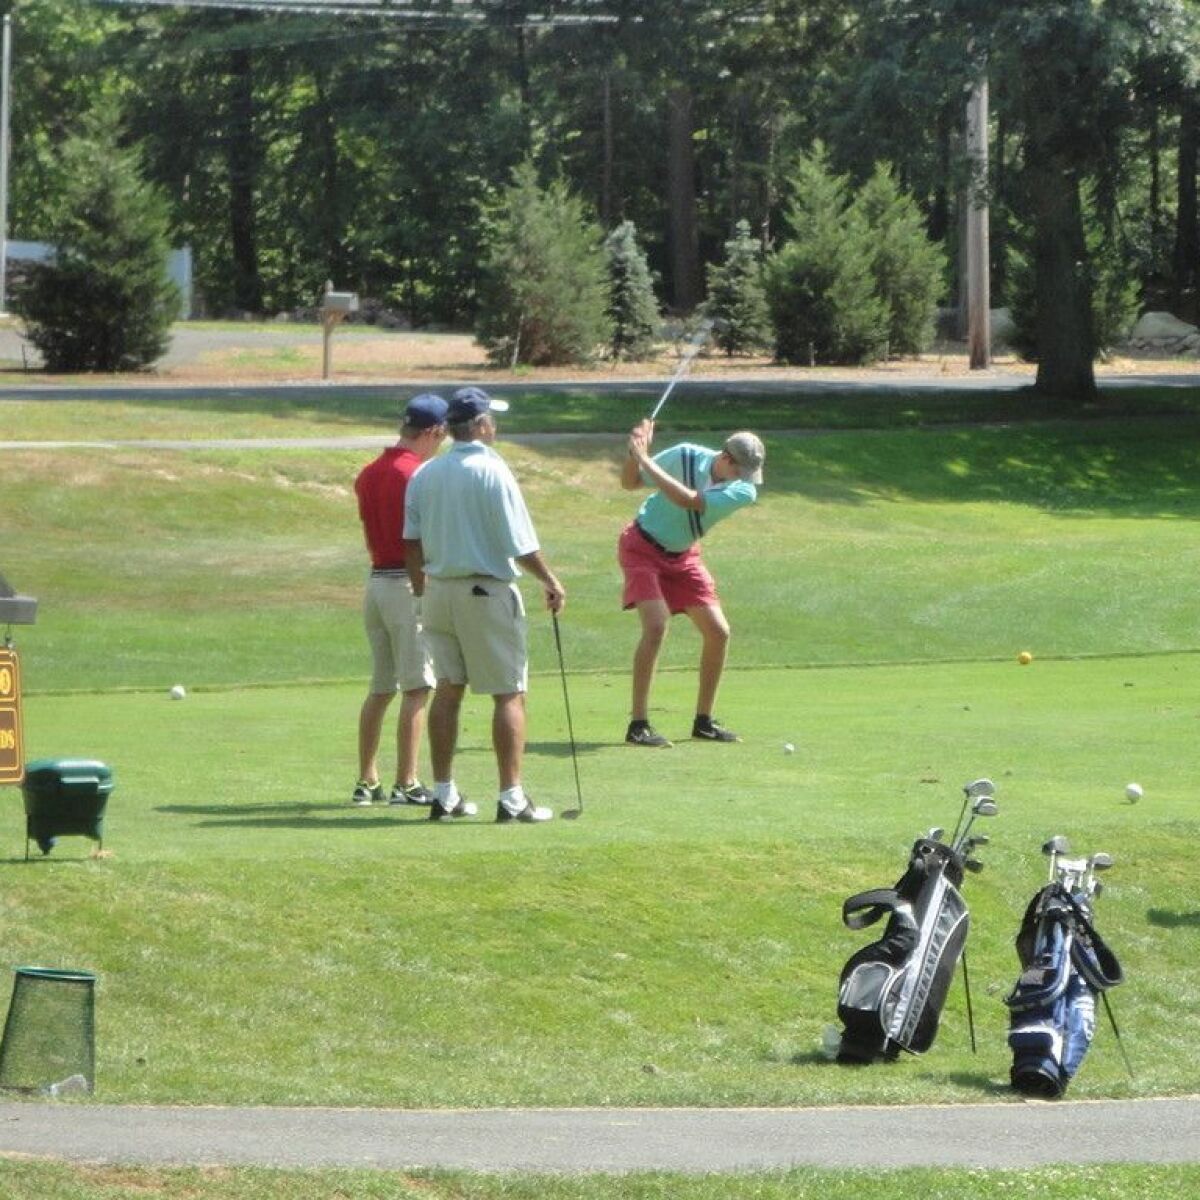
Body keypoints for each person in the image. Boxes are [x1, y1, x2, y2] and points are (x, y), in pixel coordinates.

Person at [403, 386, 566, 824]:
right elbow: (522, 544)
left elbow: (411, 544)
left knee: (449, 688)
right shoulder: (493, 470)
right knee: (509, 692)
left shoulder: (426, 473)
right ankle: (512, 798)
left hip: (438, 592)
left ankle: (444, 794)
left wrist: (424, 591)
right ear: (478, 425)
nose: (495, 425)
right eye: (491, 419)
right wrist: (550, 580)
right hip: (485, 592)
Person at [618, 418, 765, 747]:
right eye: (740, 471)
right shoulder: (685, 455)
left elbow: (688, 500)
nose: (745, 481)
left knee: (718, 632)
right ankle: (638, 725)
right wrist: (634, 454)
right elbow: (629, 483)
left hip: (683, 556)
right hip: (641, 546)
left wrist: (645, 459)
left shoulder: (744, 491)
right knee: (656, 626)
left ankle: (704, 721)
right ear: (725, 459)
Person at [350, 392, 448, 807]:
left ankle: (366, 781)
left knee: (381, 687)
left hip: (375, 586)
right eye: (441, 434)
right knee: (416, 687)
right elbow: (423, 539)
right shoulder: (419, 475)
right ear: (430, 432)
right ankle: (406, 782)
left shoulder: (369, 472)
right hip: (407, 586)